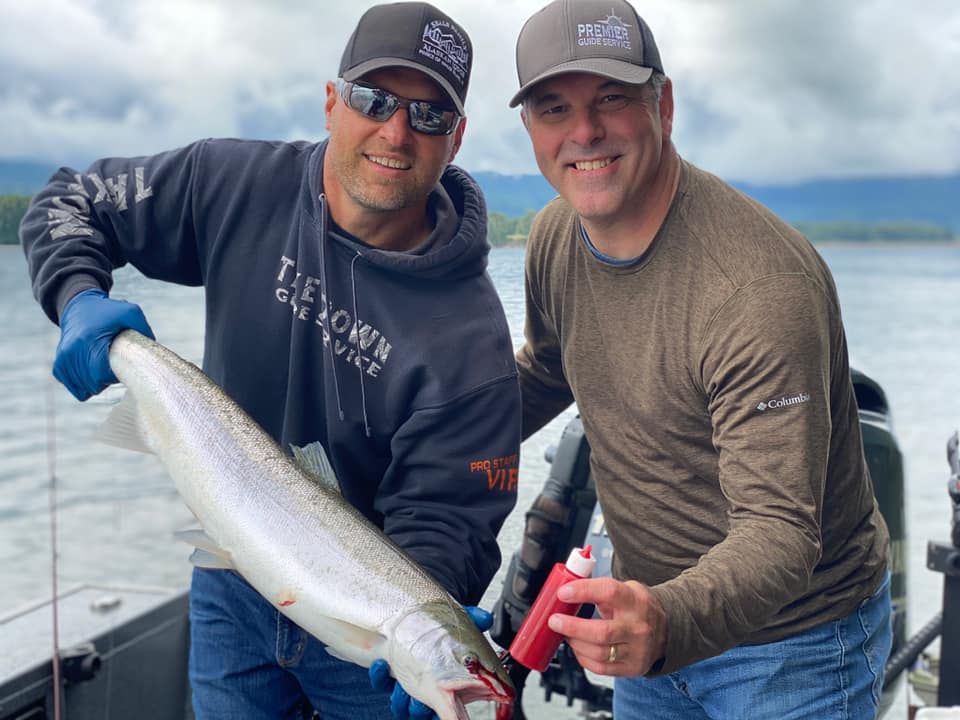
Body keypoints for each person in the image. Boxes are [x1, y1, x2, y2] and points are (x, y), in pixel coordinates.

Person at [20, 3, 521, 719]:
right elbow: (72, 199)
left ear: (457, 138)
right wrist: (76, 297)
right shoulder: (235, 184)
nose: (396, 130)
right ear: (331, 101)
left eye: (429, 114)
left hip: (364, 633)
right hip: (232, 574)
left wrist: (422, 634)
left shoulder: (472, 345)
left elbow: (449, 523)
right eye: (373, 99)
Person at [508, 0, 893, 717]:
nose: (584, 132)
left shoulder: (756, 289)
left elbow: (780, 532)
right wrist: (421, 437)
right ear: (530, 128)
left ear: (666, 105)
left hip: (795, 646)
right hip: (647, 625)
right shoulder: (555, 236)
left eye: (612, 100)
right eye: (555, 108)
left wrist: (665, 622)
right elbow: (550, 368)